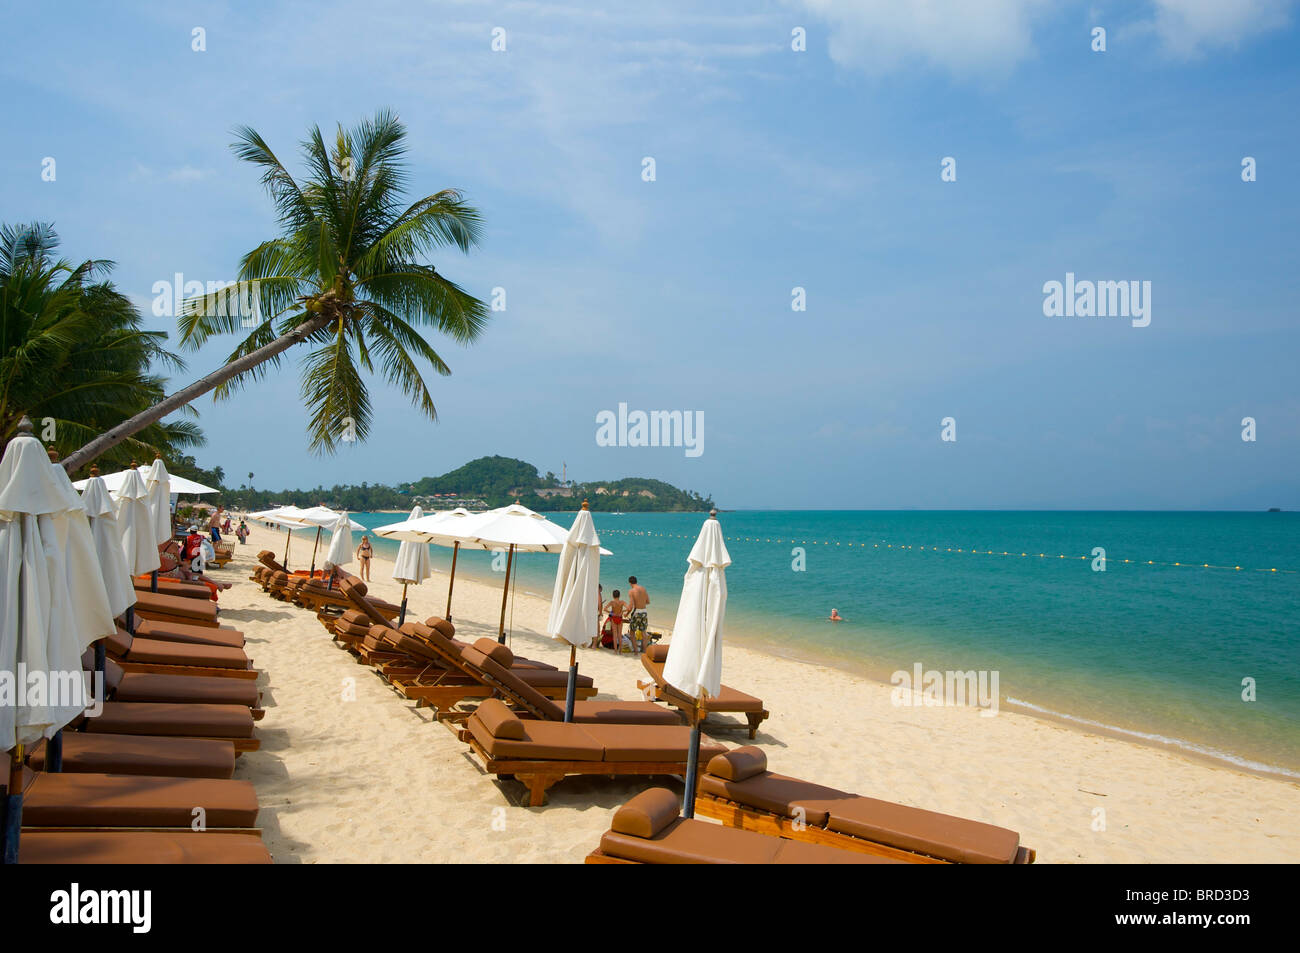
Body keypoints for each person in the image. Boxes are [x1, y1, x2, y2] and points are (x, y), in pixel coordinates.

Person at [626, 575, 650, 654]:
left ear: (630, 583)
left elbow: (631, 606)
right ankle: (644, 651)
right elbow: (648, 602)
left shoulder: (631, 591)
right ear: (636, 581)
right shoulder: (643, 589)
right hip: (644, 612)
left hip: (636, 612)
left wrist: (626, 614)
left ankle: (636, 651)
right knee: (643, 632)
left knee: (632, 632)